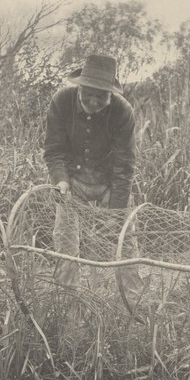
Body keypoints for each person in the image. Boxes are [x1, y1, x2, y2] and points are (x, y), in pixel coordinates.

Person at [44, 54, 139, 289]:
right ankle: (68, 294)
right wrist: (61, 181)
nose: (94, 101)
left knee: (125, 236)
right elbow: (54, 151)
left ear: (111, 94)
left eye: (102, 96)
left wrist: (116, 214)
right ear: (80, 87)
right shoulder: (61, 101)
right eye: (89, 94)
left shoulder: (123, 110)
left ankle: (132, 295)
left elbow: (124, 165)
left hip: (109, 182)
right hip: (73, 182)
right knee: (64, 238)